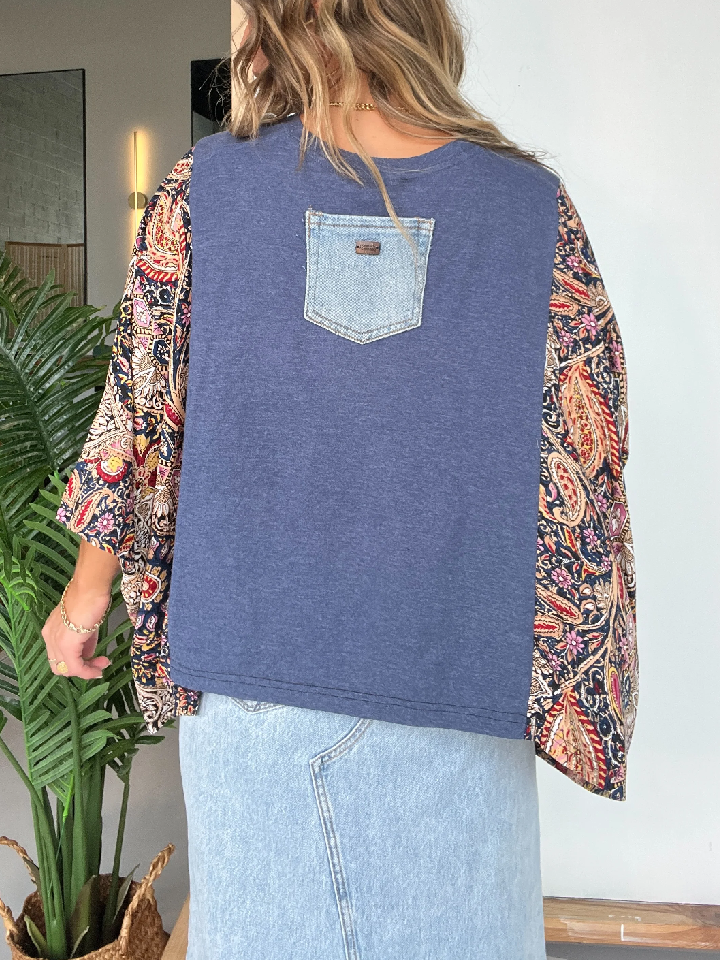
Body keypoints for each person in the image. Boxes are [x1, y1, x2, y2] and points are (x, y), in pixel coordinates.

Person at [45, 0, 638, 956]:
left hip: (259, 680)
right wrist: (576, 683)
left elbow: (141, 423)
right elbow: (586, 458)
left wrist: (84, 601)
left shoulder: (206, 190)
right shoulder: (534, 209)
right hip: (458, 679)